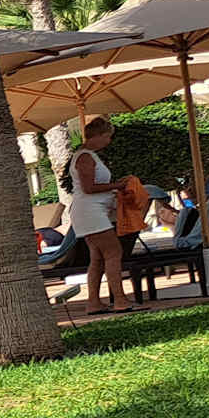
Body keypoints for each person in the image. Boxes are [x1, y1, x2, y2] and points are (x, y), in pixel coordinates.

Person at [70, 116, 131, 314]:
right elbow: (88, 188)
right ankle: (120, 299)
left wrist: (113, 188)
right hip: (90, 211)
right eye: (107, 136)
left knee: (97, 258)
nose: (108, 141)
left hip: (92, 211)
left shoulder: (89, 156)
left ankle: (94, 302)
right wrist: (117, 186)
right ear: (98, 135)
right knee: (114, 252)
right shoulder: (85, 157)